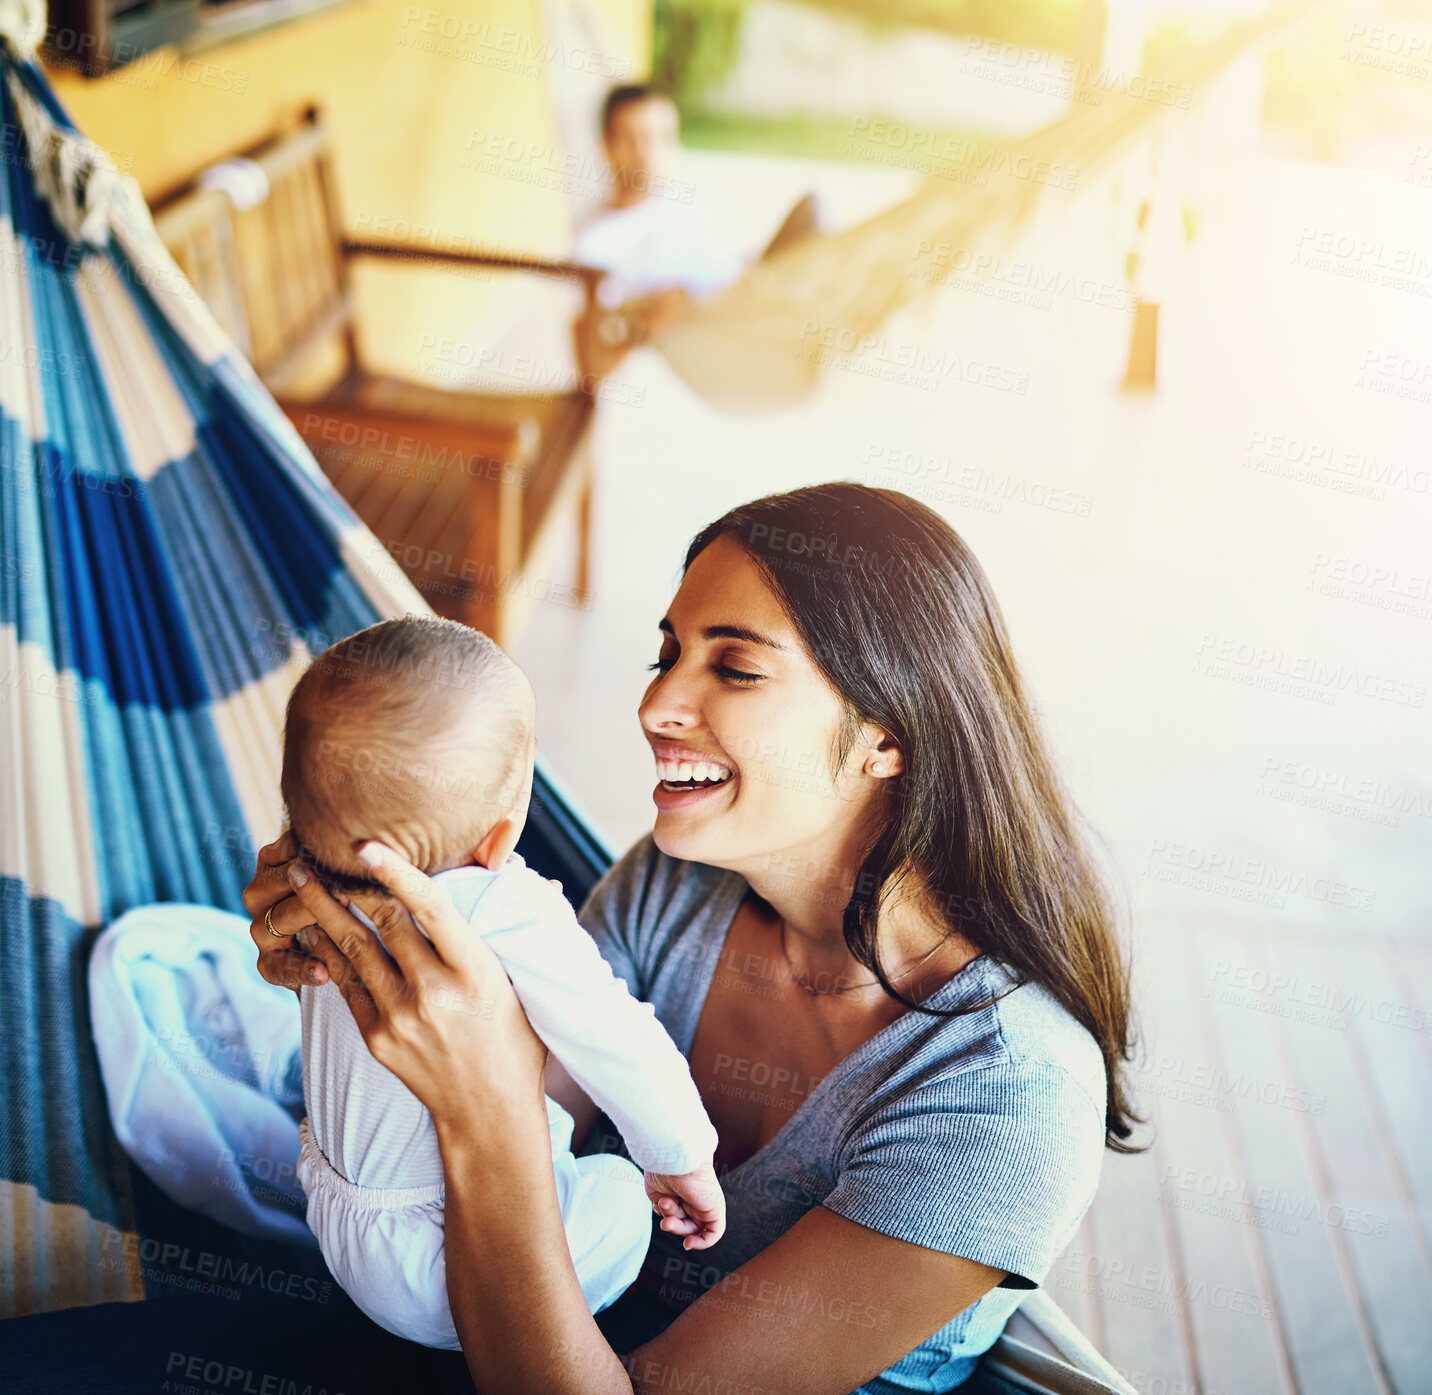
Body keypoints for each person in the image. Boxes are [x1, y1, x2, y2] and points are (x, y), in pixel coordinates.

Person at [252, 482, 1141, 1393]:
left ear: (888, 736)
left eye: (736, 668)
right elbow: (479, 1136)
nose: (655, 706)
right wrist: (352, 951)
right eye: (667, 654)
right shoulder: (674, 887)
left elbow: (498, 1124)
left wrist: (488, 1115)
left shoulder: (1007, 1095)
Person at [280, 616, 725, 1349]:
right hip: (448, 1252)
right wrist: (682, 1155)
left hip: (341, 1218)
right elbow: (614, 1036)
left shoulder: (316, 894)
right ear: (499, 834)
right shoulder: (504, 903)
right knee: (618, 1192)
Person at [573, 84, 824, 383]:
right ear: (607, 146)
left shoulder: (689, 202)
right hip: (714, 330)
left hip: (754, 295)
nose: (647, 154)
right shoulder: (594, 242)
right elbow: (590, 371)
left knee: (813, 208)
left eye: (661, 138)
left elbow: (736, 259)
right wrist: (644, 326)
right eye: (633, 139)